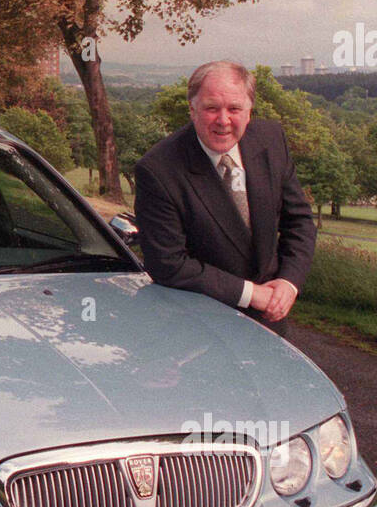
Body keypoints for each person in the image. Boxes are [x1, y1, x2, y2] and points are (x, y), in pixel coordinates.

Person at [133, 61, 316, 336]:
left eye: (234, 108)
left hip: (271, 322)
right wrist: (251, 294)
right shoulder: (158, 170)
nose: (223, 120)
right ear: (192, 110)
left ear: (249, 111)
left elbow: (299, 221)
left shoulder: (271, 139)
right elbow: (167, 263)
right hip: (198, 327)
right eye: (211, 108)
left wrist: (288, 283)